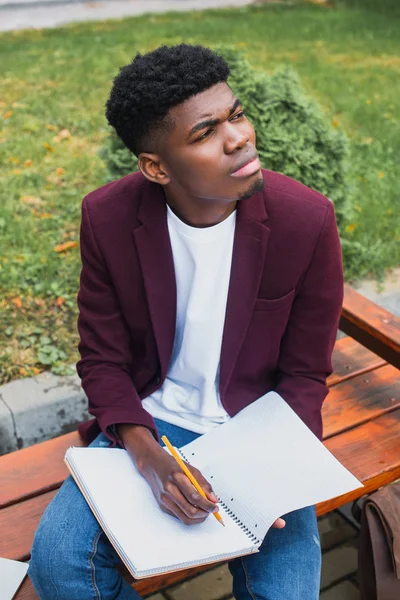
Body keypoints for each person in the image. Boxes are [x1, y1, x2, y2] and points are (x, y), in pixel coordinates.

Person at [28, 44, 344, 599]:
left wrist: (270, 476)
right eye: (204, 133)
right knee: (60, 564)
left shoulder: (305, 220)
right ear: (156, 167)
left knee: (287, 593)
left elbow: (304, 377)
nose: (239, 137)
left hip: (258, 432)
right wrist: (149, 459)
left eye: (237, 114)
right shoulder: (107, 218)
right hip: (149, 422)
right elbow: (102, 359)